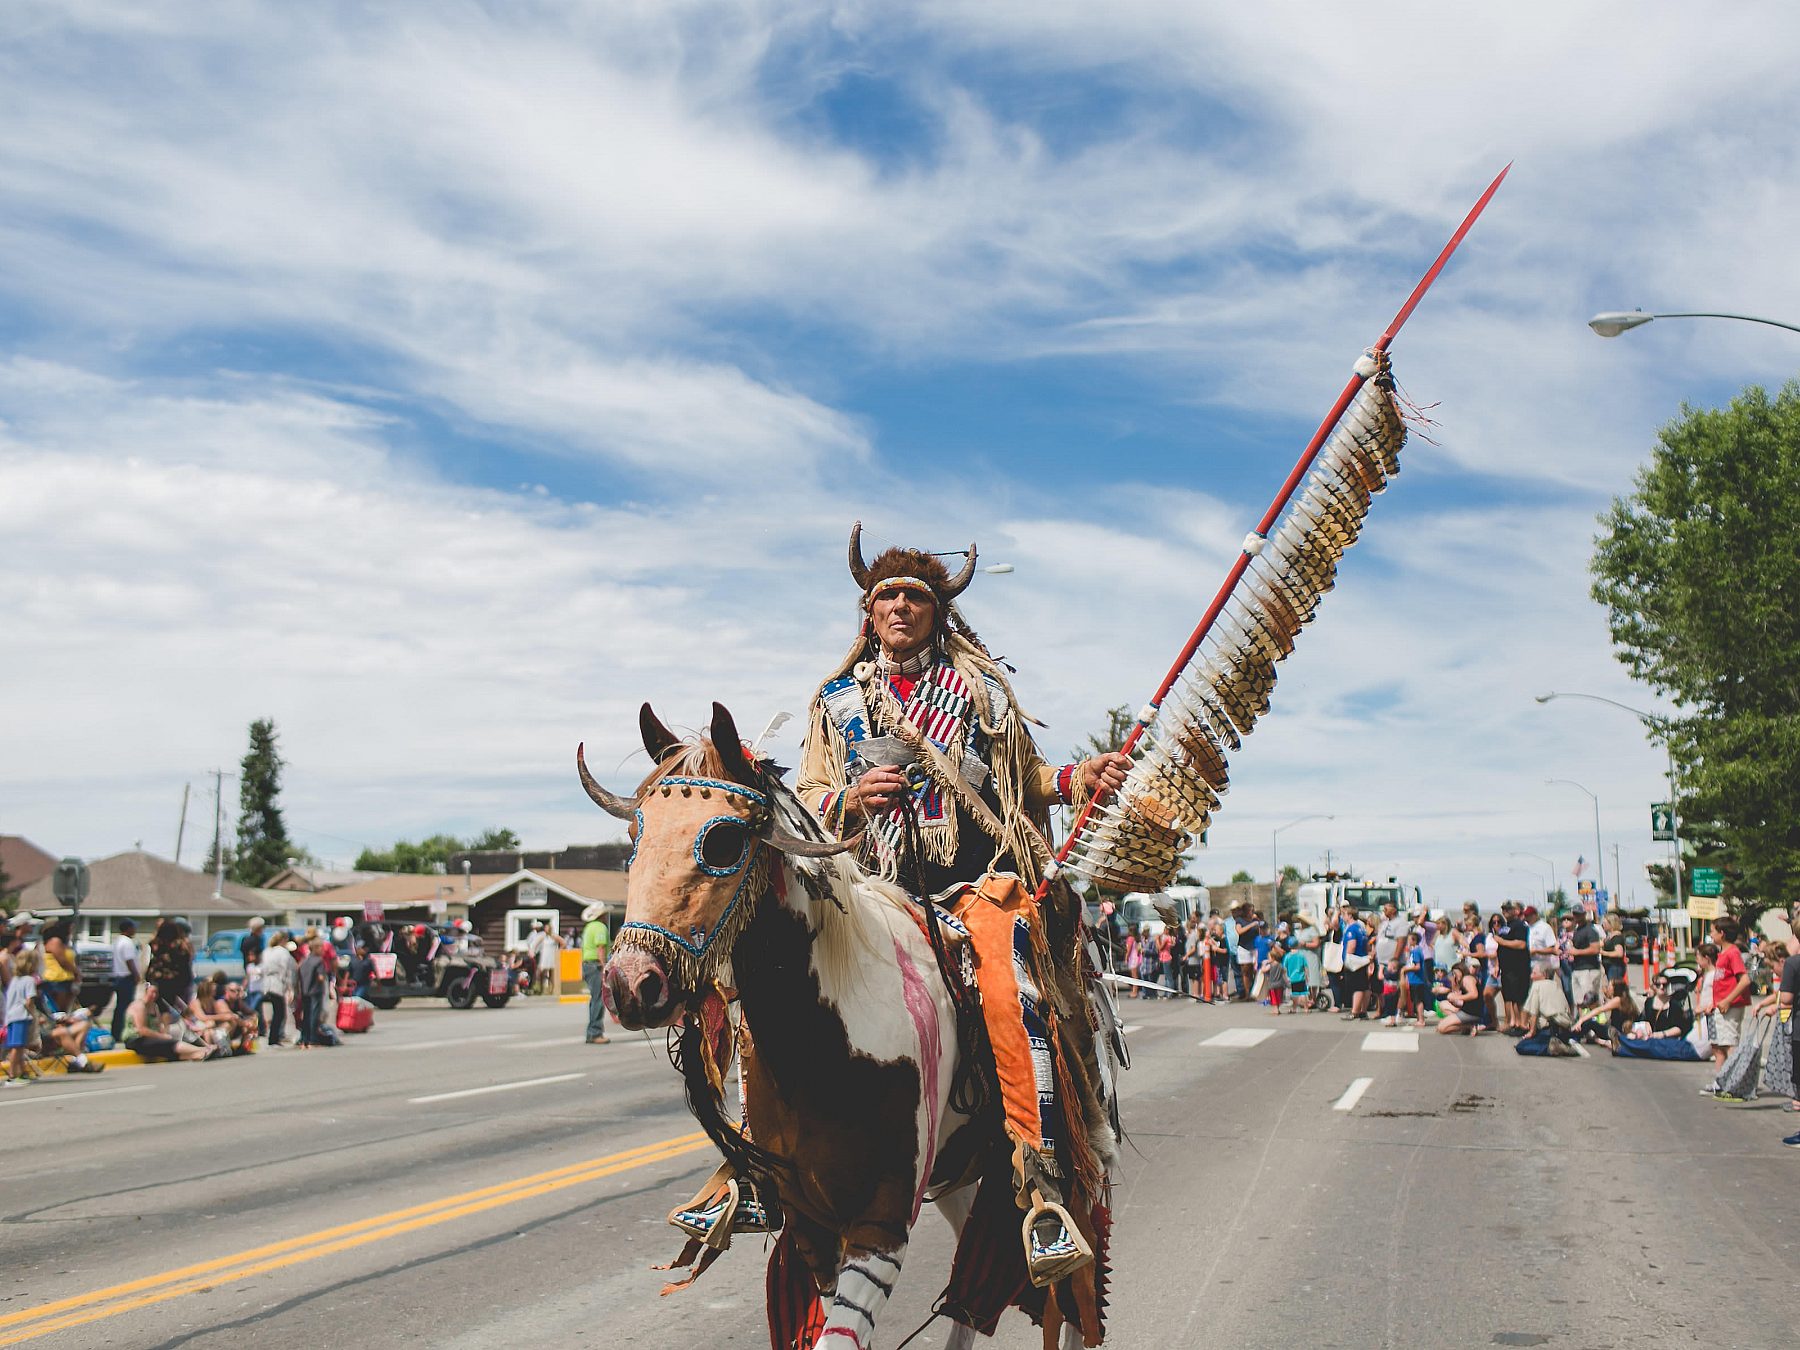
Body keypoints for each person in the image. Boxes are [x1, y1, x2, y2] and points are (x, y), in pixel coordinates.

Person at [792, 528, 1131, 1286]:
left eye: (917, 595)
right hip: (865, 890)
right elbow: (808, 795)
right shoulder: (837, 701)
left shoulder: (978, 692)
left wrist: (1079, 777)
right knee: (773, 963)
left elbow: (1023, 777)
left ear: (939, 612)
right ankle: (746, 1167)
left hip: (970, 890)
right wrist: (848, 796)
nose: (902, 605)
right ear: (868, 612)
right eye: (888, 596)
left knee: (1017, 992)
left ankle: (1041, 1189)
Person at [1699, 919, 1752, 1082]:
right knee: (1720, 1044)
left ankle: (1736, 1081)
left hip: (1730, 1007)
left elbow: (1744, 980)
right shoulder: (1723, 954)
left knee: (1730, 1044)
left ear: (1722, 934)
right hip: (1720, 1007)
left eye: (1713, 931)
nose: (1711, 934)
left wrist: (1728, 1000)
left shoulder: (1733, 953)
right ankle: (1720, 1080)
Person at [121, 981, 211, 1062]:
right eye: (152, 992)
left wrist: (164, 1032)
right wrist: (162, 1036)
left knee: (168, 1048)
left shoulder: (154, 1006)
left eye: (156, 993)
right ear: (145, 991)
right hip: (136, 1040)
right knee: (170, 1043)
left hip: (150, 1038)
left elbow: (159, 1025)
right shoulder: (139, 1006)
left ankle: (198, 1055)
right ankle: (202, 1050)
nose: (154, 995)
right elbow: (142, 1030)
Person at [4, 946, 40, 1086]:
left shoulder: (14, 980)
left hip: (11, 1016)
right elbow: (29, 1001)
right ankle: (12, 1075)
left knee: (17, 1046)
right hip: (22, 1017)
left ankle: (22, 1072)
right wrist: (33, 1015)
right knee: (18, 1047)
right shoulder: (29, 981)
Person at [1573, 978, 1639, 1046]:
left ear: (1615, 989)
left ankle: (1573, 1036)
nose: (1608, 988)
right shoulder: (1624, 999)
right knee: (1592, 1024)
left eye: (1609, 986)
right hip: (1617, 1030)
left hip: (1615, 1032)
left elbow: (1599, 1010)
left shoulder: (1618, 1000)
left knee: (1590, 1023)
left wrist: (1581, 1020)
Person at [580, 901, 611, 1044]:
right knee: (599, 999)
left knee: (595, 998)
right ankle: (595, 1032)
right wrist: (605, 966)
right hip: (596, 965)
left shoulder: (589, 927)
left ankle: (593, 1031)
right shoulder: (600, 927)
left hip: (587, 964)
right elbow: (600, 948)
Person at [146, 918, 195, 1009]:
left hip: (162, 980)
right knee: (177, 1008)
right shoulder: (181, 944)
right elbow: (188, 958)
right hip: (177, 980)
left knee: (163, 1007)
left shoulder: (158, 944)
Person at [260, 931, 296, 1046]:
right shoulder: (283, 952)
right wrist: (290, 987)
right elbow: (286, 970)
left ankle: (274, 1036)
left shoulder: (266, 951)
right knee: (279, 1013)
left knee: (277, 1011)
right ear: (283, 940)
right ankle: (274, 1037)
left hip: (267, 983)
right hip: (277, 983)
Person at [1339, 904, 1373, 1020]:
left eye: (1344, 914)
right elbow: (1367, 945)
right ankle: (1363, 1011)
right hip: (1362, 960)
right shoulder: (1361, 928)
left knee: (1357, 987)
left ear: (1349, 915)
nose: (1343, 917)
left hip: (1354, 962)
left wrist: (1347, 958)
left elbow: (1351, 945)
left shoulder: (1351, 929)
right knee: (1364, 986)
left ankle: (1355, 1011)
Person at [110, 919, 141, 1044]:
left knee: (120, 1006)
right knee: (125, 1007)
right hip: (126, 977)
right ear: (128, 929)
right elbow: (129, 960)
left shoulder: (118, 941)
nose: (135, 930)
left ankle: (115, 1031)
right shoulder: (127, 942)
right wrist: (136, 975)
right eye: (133, 927)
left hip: (118, 977)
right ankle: (121, 1032)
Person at [1436, 960, 1486, 1036]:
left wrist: (1457, 997)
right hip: (1467, 1009)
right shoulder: (1462, 981)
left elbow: (1474, 994)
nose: (1454, 975)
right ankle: (1466, 1026)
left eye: (1455, 973)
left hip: (1471, 1012)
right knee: (1443, 1004)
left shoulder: (1467, 979)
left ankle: (1468, 1026)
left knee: (1441, 1028)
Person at [39, 921, 78, 1013]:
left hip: (66, 979)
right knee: (58, 1012)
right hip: (56, 980)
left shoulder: (64, 943)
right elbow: (62, 961)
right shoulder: (55, 941)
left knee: (64, 1011)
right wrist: (76, 972)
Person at [296, 938, 328, 1049]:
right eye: (321, 947)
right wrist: (324, 977)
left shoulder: (304, 960)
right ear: (316, 948)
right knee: (315, 1016)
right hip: (315, 990)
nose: (323, 950)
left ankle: (304, 1039)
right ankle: (313, 1040)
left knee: (306, 1016)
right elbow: (320, 977)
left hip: (305, 991)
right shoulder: (319, 961)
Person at [1568, 912, 1604, 1008]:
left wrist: (1577, 952)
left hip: (1588, 969)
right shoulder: (1577, 930)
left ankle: (1596, 1021)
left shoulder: (1591, 930)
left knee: (1590, 1000)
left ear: (1584, 915)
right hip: (1577, 968)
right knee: (1579, 1001)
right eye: (1575, 914)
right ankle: (1582, 1021)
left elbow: (1596, 949)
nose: (1577, 916)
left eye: (1579, 914)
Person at [1599, 913, 1629, 988]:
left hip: (1615, 967)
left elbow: (1619, 953)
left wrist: (1603, 953)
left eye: (1605, 923)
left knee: (1614, 989)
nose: (1603, 925)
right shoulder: (1609, 936)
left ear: (1611, 924)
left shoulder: (1617, 937)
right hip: (1608, 966)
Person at [1282, 941, 1310, 1012]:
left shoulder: (1287, 956)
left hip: (1292, 978)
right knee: (1304, 993)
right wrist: (1307, 976)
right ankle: (1306, 1008)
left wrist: (1286, 978)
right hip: (1301, 977)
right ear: (1297, 945)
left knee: (1295, 994)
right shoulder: (1301, 955)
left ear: (1289, 946)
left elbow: (1284, 968)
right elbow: (1305, 967)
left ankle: (1294, 1008)